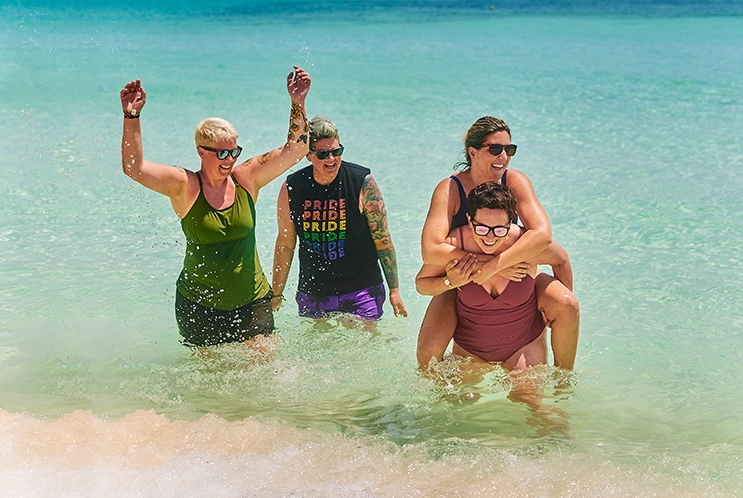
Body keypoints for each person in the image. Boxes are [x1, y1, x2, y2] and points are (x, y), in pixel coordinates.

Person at [119, 66, 311, 347]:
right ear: (201, 151)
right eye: (222, 152)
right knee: (209, 385)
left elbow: (296, 149)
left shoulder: (246, 178)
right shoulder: (185, 185)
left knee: (268, 372)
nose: (230, 159)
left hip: (252, 301)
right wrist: (131, 116)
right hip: (199, 306)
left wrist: (298, 102)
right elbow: (133, 168)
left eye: (234, 151)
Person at [416, 116, 579, 369]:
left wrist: (498, 267)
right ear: (473, 152)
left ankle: (563, 382)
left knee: (565, 304)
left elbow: (543, 235)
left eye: (509, 149)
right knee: (428, 356)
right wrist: (491, 266)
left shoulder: (514, 181)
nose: (503, 156)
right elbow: (431, 250)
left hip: (514, 282)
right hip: (463, 281)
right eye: (495, 149)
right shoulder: (450, 188)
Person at [271, 115, 408, 320]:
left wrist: (394, 290)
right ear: (309, 155)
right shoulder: (293, 187)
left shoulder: (362, 181)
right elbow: (285, 244)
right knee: (317, 350)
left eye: (336, 152)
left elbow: (382, 238)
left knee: (363, 347)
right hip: (314, 290)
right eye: (323, 154)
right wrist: (276, 293)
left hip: (362, 288)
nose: (331, 159)